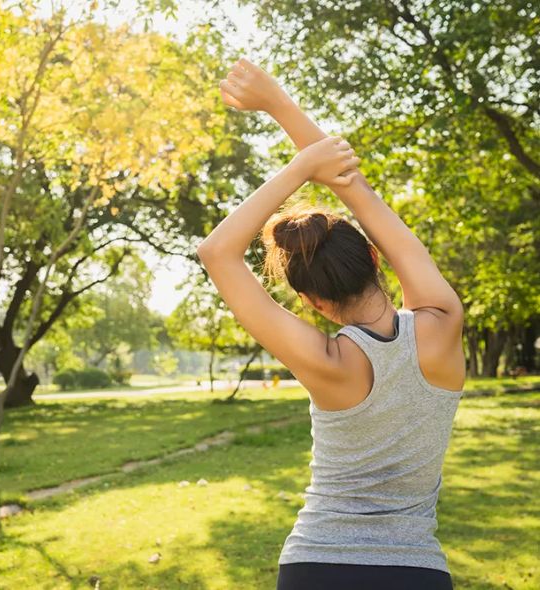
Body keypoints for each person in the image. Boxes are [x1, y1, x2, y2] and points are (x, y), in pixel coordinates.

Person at [196, 58, 465, 590]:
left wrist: (298, 169)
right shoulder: (443, 323)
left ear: (313, 303)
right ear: (373, 255)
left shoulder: (326, 362)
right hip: (415, 572)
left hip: (315, 565)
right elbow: (356, 191)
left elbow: (216, 252)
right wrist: (279, 105)